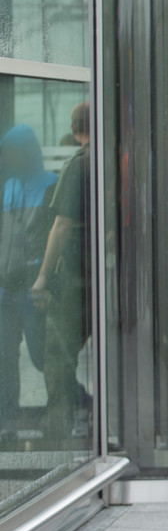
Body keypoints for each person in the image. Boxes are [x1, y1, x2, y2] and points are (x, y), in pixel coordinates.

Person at [32, 103, 93, 438]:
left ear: (74, 130)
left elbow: (62, 225)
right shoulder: (118, 161)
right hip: (109, 277)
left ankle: (59, 426)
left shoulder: (78, 164)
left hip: (76, 277)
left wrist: (43, 276)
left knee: (58, 352)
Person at [0, 125, 57, 437]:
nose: (10, 158)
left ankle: (77, 403)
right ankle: (7, 420)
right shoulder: (8, 186)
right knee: (4, 355)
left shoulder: (51, 184)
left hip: (32, 285)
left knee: (41, 353)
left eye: (14, 151)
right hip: (7, 286)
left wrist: (47, 280)